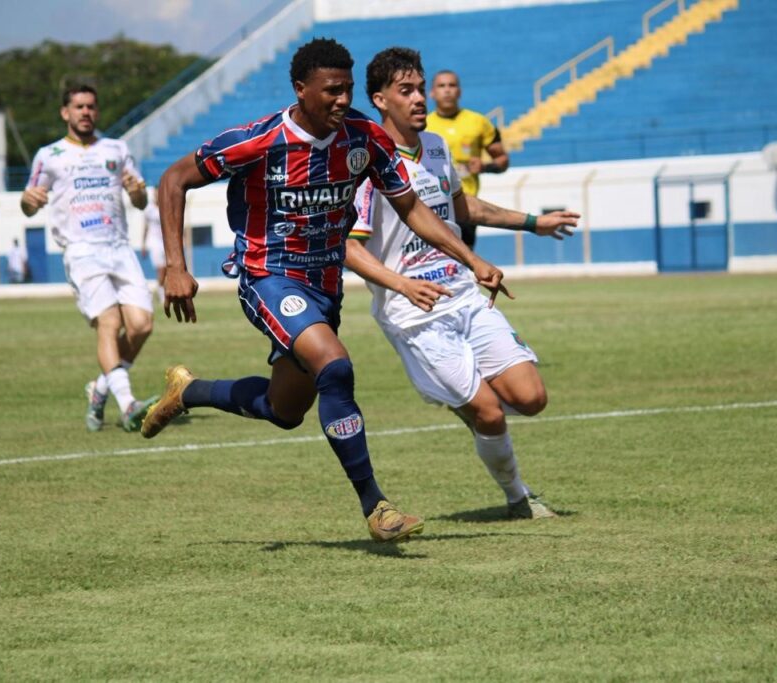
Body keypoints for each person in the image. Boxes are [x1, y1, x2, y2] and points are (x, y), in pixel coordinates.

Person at [142, 38, 507, 542]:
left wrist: (471, 258)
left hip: (324, 288)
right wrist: (175, 267)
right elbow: (173, 179)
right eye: (331, 90)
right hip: (268, 277)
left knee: (284, 410)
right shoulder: (258, 140)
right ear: (301, 89)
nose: (342, 100)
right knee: (336, 366)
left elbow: (412, 208)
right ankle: (377, 507)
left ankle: (190, 390)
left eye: (348, 89)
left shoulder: (364, 138)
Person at [348, 47, 579, 519]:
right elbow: (348, 247)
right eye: (405, 91)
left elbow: (461, 208)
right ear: (380, 100)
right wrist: (400, 284)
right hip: (414, 314)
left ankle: (466, 405)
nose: (418, 99)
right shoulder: (365, 164)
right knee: (490, 414)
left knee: (531, 398)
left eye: (420, 88)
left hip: (465, 294)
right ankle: (519, 499)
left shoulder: (434, 147)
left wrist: (532, 222)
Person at [20, 84, 157, 433]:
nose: (85, 112)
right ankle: (128, 405)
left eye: (91, 107)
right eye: (78, 107)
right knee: (109, 323)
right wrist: (29, 201)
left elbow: (140, 200)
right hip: (81, 251)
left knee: (141, 324)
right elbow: (28, 204)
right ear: (65, 112)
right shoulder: (48, 155)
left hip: (119, 247)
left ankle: (100, 388)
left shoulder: (116, 149)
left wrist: (137, 192)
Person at [426, 69, 510, 249]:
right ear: (432, 92)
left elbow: (503, 160)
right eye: (441, 86)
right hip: (433, 205)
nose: (447, 90)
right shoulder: (422, 125)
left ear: (459, 91)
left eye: (452, 85)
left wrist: (485, 166)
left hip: (466, 204)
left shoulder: (479, 122)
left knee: (464, 263)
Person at [140, 186, 167, 301]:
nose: (157, 196)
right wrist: (143, 244)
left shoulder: (167, 207)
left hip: (166, 242)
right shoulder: (149, 209)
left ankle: (162, 291)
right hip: (154, 242)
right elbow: (145, 227)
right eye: (155, 193)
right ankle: (162, 296)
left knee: (167, 269)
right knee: (161, 269)